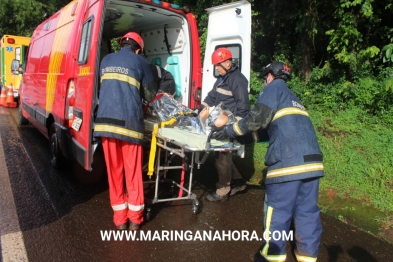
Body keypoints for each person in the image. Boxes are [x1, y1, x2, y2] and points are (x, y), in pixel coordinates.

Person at [213, 62, 324, 262]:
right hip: (313, 165)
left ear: (270, 76)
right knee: (307, 213)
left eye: (264, 80)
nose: (264, 84)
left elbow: (255, 119)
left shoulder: (274, 89)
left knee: (278, 212)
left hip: (287, 163)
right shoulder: (294, 99)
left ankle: (271, 257)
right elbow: (267, 130)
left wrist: (228, 131)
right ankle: (307, 257)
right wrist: (242, 137)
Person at [94, 32, 157, 230]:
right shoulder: (140, 62)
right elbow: (150, 94)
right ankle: (135, 219)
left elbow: (100, 89)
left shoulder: (105, 59)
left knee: (114, 173)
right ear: (138, 48)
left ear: (122, 44)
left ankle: (120, 220)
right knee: (133, 173)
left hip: (105, 123)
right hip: (130, 124)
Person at [198, 47, 250, 201]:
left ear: (227, 64)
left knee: (221, 156)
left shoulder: (237, 80)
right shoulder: (222, 79)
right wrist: (201, 108)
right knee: (222, 154)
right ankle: (238, 182)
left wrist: (234, 130)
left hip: (231, 124)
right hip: (223, 120)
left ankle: (222, 191)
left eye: (217, 65)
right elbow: (212, 96)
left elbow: (243, 107)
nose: (215, 68)